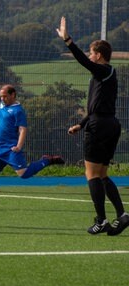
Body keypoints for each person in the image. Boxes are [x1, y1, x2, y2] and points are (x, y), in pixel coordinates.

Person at [56, 16, 129, 236]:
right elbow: (97, 106)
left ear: (99, 55)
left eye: (91, 52)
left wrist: (67, 40)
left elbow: (83, 61)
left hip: (99, 127)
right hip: (109, 124)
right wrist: (81, 123)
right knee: (103, 174)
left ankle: (101, 220)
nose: (89, 56)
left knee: (92, 175)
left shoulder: (102, 70)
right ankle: (123, 215)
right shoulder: (108, 74)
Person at [0, 84, 64, 209]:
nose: (2, 99)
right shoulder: (3, 105)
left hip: (10, 148)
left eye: (5, 96)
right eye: (1, 96)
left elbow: (22, 129)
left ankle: (46, 161)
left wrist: (19, 146)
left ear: (13, 95)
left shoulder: (18, 110)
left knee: (23, 174)